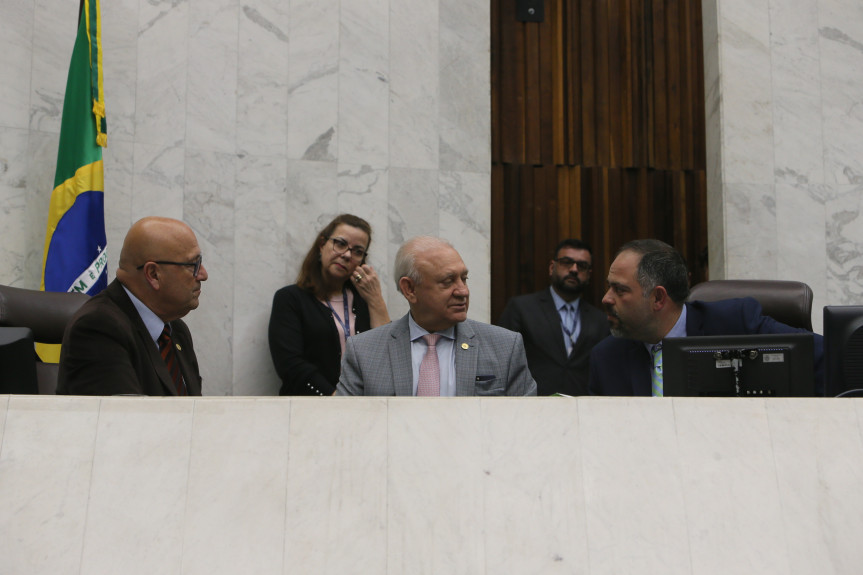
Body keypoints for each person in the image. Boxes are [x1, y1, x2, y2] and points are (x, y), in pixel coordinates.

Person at [588, 239, 825, 396]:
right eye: (609, 288)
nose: (606, 299)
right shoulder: (607, 357)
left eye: (620, 290)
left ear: (658, 299)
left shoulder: (736, 324)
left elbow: (825, 356)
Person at [336, 236, 537, 396]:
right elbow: (347, 427)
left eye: (464, 279)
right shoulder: (363, 351)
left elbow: (526, 426)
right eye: (448, 281)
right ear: (410, 289)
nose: (463, 291)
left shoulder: (505, 347)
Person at [57, 217, 207, 395]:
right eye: (193, 265)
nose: (203, 275)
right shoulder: (98, 328)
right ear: (153, 274)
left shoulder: (176, 331)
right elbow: (122, 419)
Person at [268, 214, 390, 396]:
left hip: (364, 409)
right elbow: (290, 364)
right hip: (309, 410)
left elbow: (388, 356)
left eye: (357, 251)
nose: (347, 255)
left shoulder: (363, 301)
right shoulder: (290, 299)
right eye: (340, 244)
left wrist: (376, 299)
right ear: (322, 244)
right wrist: (334, 398)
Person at [498, 238, 609, 395]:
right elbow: (502, 360)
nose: (574, 270)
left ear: (589, 274)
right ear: (552, 267)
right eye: (566, 262)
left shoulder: (601, 320)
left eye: (582, 266)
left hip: (583, 410)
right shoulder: (522, 308)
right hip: (533, 406)